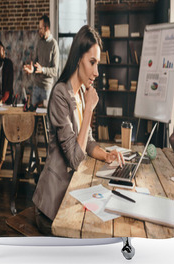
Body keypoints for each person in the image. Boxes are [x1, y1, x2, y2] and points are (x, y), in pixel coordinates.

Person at [32, 25, 125, 236]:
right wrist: (90, 109)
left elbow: (88, 142)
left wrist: (106, 155)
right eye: (92, 62)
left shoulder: (81, 93)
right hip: (51, 208)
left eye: (97, 64)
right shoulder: (59, 95)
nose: (97, 72)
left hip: (71, 196)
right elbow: (75, 158)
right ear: (77, 59)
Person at [23, 14, 59, 110]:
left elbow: (55, 71)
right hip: (36, 87)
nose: (39, 31)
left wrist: (42, 69)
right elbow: (36, 65)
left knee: (46, 120)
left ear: (46, 28)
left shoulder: (54, 45)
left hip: (47, 89)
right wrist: (32, 69)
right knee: (33, 118)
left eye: (40, 29)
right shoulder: (39, 43)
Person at [0, 40, 14, 176]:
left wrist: (2, 100)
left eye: (3, 50)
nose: (2, 53)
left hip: (8, 102)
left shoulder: (8, 64)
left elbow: (9, 87)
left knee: (4, 129)